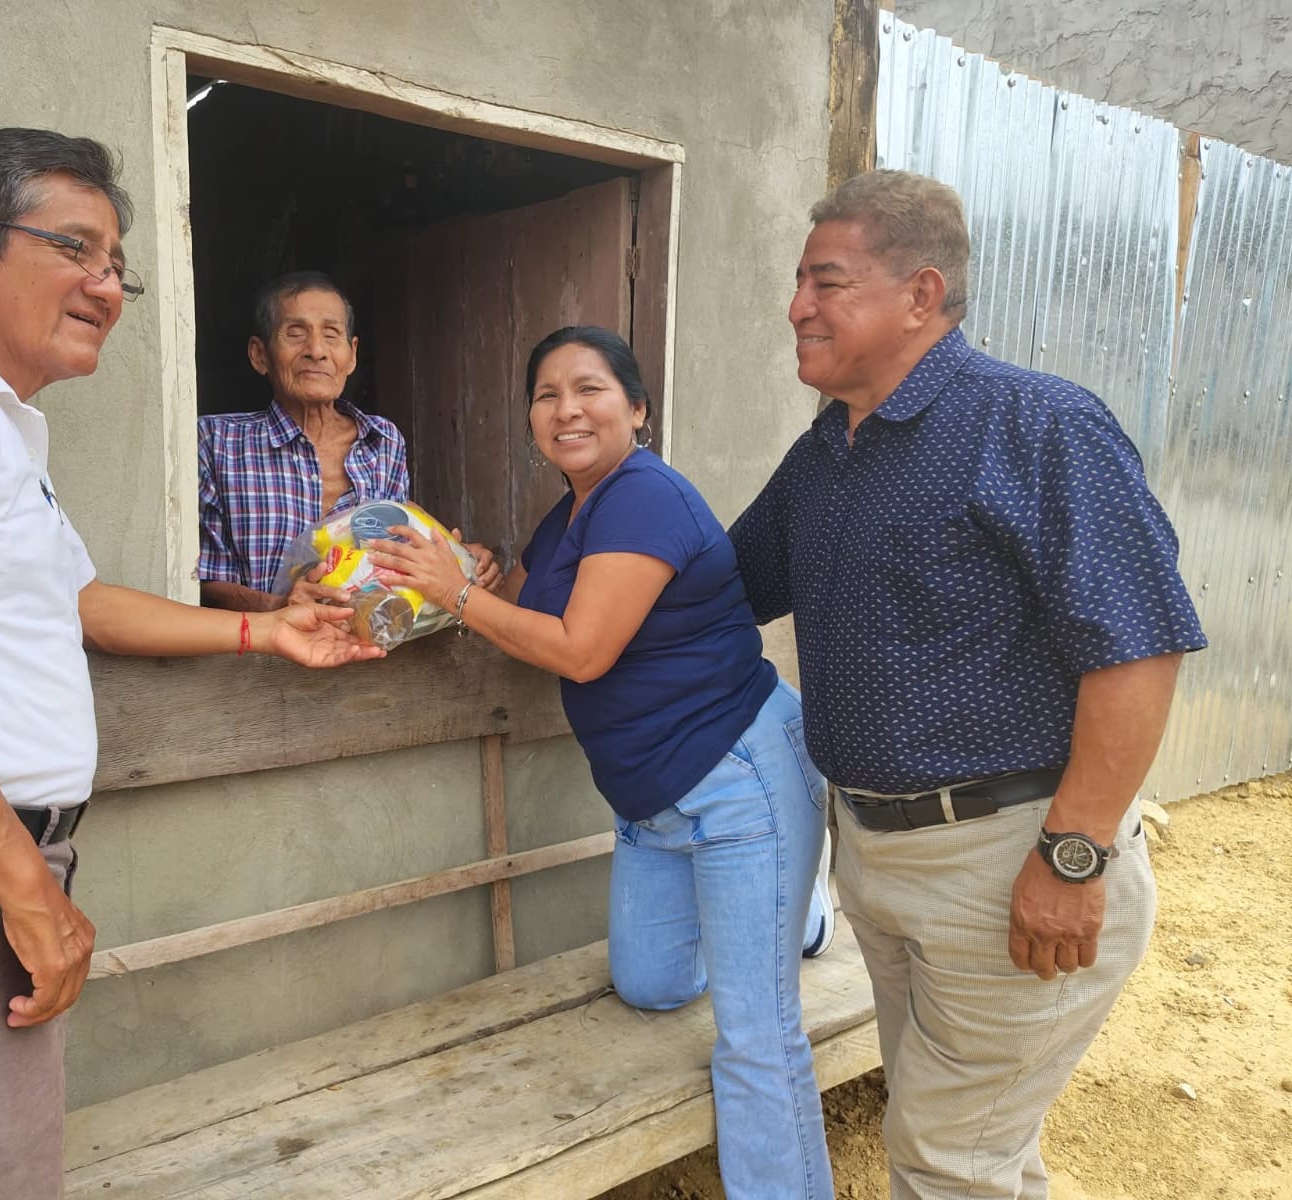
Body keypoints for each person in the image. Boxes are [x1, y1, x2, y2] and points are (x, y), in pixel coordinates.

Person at [0, 128, 381, 1200]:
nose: (105, 285)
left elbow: (77, 602)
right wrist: (26, 890)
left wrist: (266, 629)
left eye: (116, 264)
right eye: (75, 249)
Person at [728, 170, 1207, 1200]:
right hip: (876, 860)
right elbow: (716, 585)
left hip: (1008, 863)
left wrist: (1072, 857)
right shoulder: (826, 454)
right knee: (976, 1147)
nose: (796, 306)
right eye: (798, 282)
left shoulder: (1036, 425)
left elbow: (1137, 648)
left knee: (948, 1161)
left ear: (920, 294)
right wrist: (525, 572)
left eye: (825, 282)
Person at [371, 326, 833, 1199]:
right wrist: (472, 574)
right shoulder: (567, 518)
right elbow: (519, 610)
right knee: (651, 986)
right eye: (546, 395)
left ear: (638, 409)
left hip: (739, 782)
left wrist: (457, 593)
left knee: (756, 1039)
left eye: (590, 389)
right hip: (652, 808)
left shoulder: (644, 496)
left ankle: (792, 905)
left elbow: (581, 651)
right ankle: (794, 904)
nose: (567, 409)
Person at [197, 271, 499, 610]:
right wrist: (278, 608)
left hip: (366, 643)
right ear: (259, 354)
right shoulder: (217, 443)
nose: (316, 351)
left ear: (351, 355)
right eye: (295, 333)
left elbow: (396, 552)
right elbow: (201, 580)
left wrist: (460, 558)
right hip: (259, 643)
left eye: (331, 335)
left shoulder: (382, 441)